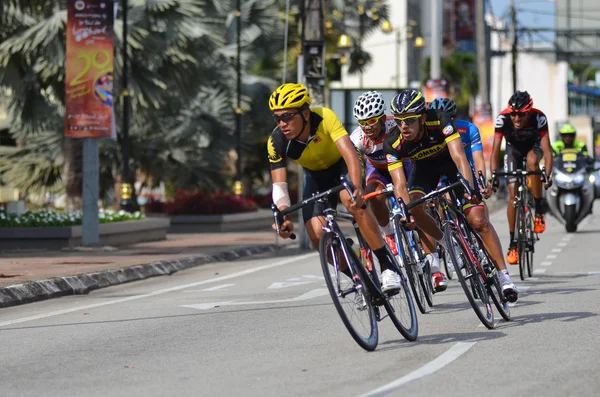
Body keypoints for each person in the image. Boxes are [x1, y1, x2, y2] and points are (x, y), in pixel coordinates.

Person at [383, 89, 518, 301]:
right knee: (415, 209)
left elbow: (459, 157)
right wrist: (406, 209)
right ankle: (447, 243)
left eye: (409, 120)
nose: (403, 126)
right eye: (399, 121)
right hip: (424, 172)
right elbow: (400, 184)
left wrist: (470, 188)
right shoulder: (392, 142)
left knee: (478, 220)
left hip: (450, 165)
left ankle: (503, 277)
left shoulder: (440, 120)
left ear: (423, 118)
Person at [267, 83, 402, 292]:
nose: (282, 123)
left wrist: (357, 187)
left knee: (352, 201)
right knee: (317, 235)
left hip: (342, 166)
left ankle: (387, 266)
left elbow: (349, 154)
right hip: (315, 177)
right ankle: (360, 278)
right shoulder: (276, 141)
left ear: (304, 113)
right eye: (277, 118)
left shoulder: (324, 117)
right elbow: (280, 186)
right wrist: (284, 215)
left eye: (287, 116)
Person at [428, 97, 517, 293]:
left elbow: (477, 160)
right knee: (444, 200)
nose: (445, 124)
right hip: (443, 177)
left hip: (465, 173)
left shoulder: (468, 129)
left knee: (479, 221)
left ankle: (503, 275)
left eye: (448, 119)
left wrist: (481, 183)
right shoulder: (429, 135)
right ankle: (452, 242)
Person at [490, 91, 553, 265]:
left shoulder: (539, 118)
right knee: (512, 195)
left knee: (533, 162)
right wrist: (494, 176)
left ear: (529, 112)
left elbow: (547, 151)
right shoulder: (502, 119)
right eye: (514, 114)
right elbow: (495, 151)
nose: (516, 119)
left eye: (521, 115)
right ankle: (513, 243)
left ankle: (539, 209)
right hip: (513, 151)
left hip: (534, 147)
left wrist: (547, 175)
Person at [350, 91, 412, 257]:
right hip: (378, 169)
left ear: (383, 119)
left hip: (404, 164)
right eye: (363, 122)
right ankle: (389, 234)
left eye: (371, 121)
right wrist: (358, 188)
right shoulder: (357, 138)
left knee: (414, 195)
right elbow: (357, 164)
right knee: (373, 195)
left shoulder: (396, 127)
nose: (367, 127)